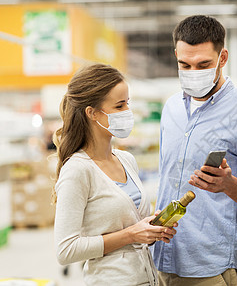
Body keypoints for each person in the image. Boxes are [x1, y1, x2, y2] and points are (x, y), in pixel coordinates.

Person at [153, 15, 237, 286]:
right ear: (176, 54)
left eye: (203, 64)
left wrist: (229, 185)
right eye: (184, 64)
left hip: (211, 269)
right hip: (161, 258)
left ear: (223, 58)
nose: (192, 72)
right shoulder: (170, 109)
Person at [53, 63, 177, 286]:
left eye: (127, 104)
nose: (127, 113)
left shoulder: (126, 160)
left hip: (147, 279)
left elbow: (133, 227)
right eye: (119, 106)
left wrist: (151, 228)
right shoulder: (78, 170)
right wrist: (132, 234)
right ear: (92, 113)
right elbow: (66, 250)